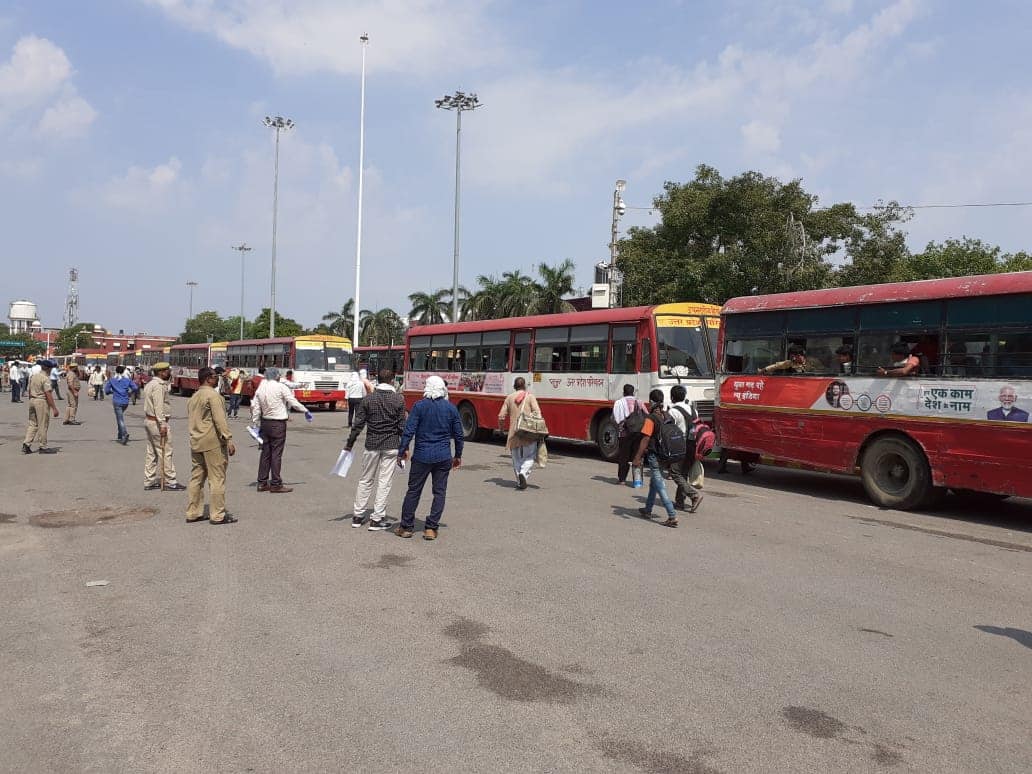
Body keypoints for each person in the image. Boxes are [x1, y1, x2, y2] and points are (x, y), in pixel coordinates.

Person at [396, 375, 463, 541]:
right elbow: (459, 435)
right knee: (439, 492)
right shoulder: (451, 408)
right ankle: (431, 528)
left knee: (413, 491)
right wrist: (458, 455)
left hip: (421, 455)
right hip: (443, 456)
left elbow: (409, 430)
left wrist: (402, 450)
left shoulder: (419, 406)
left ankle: (406, 527)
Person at [345, 368, 407, 530]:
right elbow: (402, 427)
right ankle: (377, 518)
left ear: (378, 380)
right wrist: (404, 448)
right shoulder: (398, 400)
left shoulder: (368, 399)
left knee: (365, 479)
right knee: (384, 482)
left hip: (372, 444)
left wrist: (349, 444)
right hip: (391, 445)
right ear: (392, 380)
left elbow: (357, 425)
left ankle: (358, 515)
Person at [186, 367, 237, 525]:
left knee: (197, 478)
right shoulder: (213, 396)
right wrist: (228, 439)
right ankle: (218, 515)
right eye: (215, 377)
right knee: (217, 479)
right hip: (212, 442)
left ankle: (193, 513)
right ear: (208, 378)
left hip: (196, 441)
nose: (217, 379)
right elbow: (220, 420)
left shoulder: (194, 396)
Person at [251, 367, 311, 493]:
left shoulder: (261, 388)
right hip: (278, 423)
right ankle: (276, 483)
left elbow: (255, 407)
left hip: (265, 422)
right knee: (276, 454)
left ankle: (262, 482)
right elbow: (292, 401)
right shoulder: (281, 387)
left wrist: (255, 423)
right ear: (277, 376)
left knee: (265, 453)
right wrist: (305, 410)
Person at [631, 389, 682, 527]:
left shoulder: (651, 418)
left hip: (654, 455)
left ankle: (672, 516)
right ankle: (648, 509)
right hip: (665, 455)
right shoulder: (666, 415)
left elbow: (645, 439)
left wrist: (637, 457)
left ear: (651, 401)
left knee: (659, 484)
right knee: (654, 483)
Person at [142, 362, 187, 491]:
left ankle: (149, 480)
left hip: (150, 420)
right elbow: (158, 406)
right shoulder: (158, 386)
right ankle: (170, 481)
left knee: (152, 452)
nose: (169, 373)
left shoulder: (150, 383)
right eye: (167, 371)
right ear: (161, 372)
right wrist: (162, 423)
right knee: (165, 451)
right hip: (157, 422)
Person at [497, 377, 542, 490]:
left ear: (514, 386)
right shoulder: (530, 397)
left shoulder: (509, 398)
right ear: (524, 386)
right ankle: (523, 473)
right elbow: (538, 413)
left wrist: (501, 429)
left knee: (516, 458)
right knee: (530, 456)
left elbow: (501, 416)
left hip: (513, 433)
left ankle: (519, 481)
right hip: (528, 432)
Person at [667, 384, 703, 513]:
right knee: (684, 474)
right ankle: (679, 502)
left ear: (672, 397)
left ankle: (693, 495)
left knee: (675, 473)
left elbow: (669, 431)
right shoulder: (693, 409)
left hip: (680, 445)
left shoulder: (673, 411)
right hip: (693, 445)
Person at [22, 359, 61, 454]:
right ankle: (43, 447)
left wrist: (32, 400)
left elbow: (30, 390)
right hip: (41, 401)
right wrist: (54, 408)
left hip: (32, 400)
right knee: (42, 425)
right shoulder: (45, 378)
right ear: (48, 368)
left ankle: (26, 444)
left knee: (32, 424)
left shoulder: (34, 376)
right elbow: (48, 394)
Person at [612, 384, 644, 484]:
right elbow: (645, 415)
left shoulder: (619, 402)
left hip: (624, 433)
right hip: (638, 433)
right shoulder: (639, 402)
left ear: (623, 392)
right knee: (637, 456)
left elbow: (616, 419)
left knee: (623, 457)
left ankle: (622, 479)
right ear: (633, 392)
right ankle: (637, 480)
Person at [104, 365, 139, 445]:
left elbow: (106, 391)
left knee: (120, 419)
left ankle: (124, 433)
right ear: (123, 372)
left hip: (117, 402)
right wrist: (129, 392)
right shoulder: (127, 380)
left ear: (115, 371)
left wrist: (112, 392)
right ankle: (120, 435)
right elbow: (135, 388)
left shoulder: (112, 380)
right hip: (125, 402)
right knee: (119, 417)